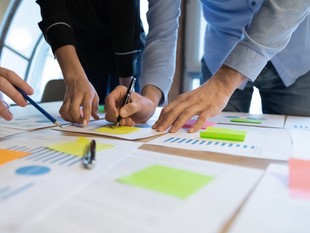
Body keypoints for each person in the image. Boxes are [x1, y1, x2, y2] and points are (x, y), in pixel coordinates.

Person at [152, 0, 310, 133]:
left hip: (295, 56)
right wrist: (151, 96)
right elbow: (162, 29)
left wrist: (223, 83)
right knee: (208, 143)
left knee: (296, 146)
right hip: (221, 54)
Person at [37, 0, 180, 126]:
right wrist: (74, 76)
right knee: (88, 110)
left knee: (130, 111)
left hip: (129, 48)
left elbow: (155, 30)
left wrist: (140, 96)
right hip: (83, 49)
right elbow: (53, 10)